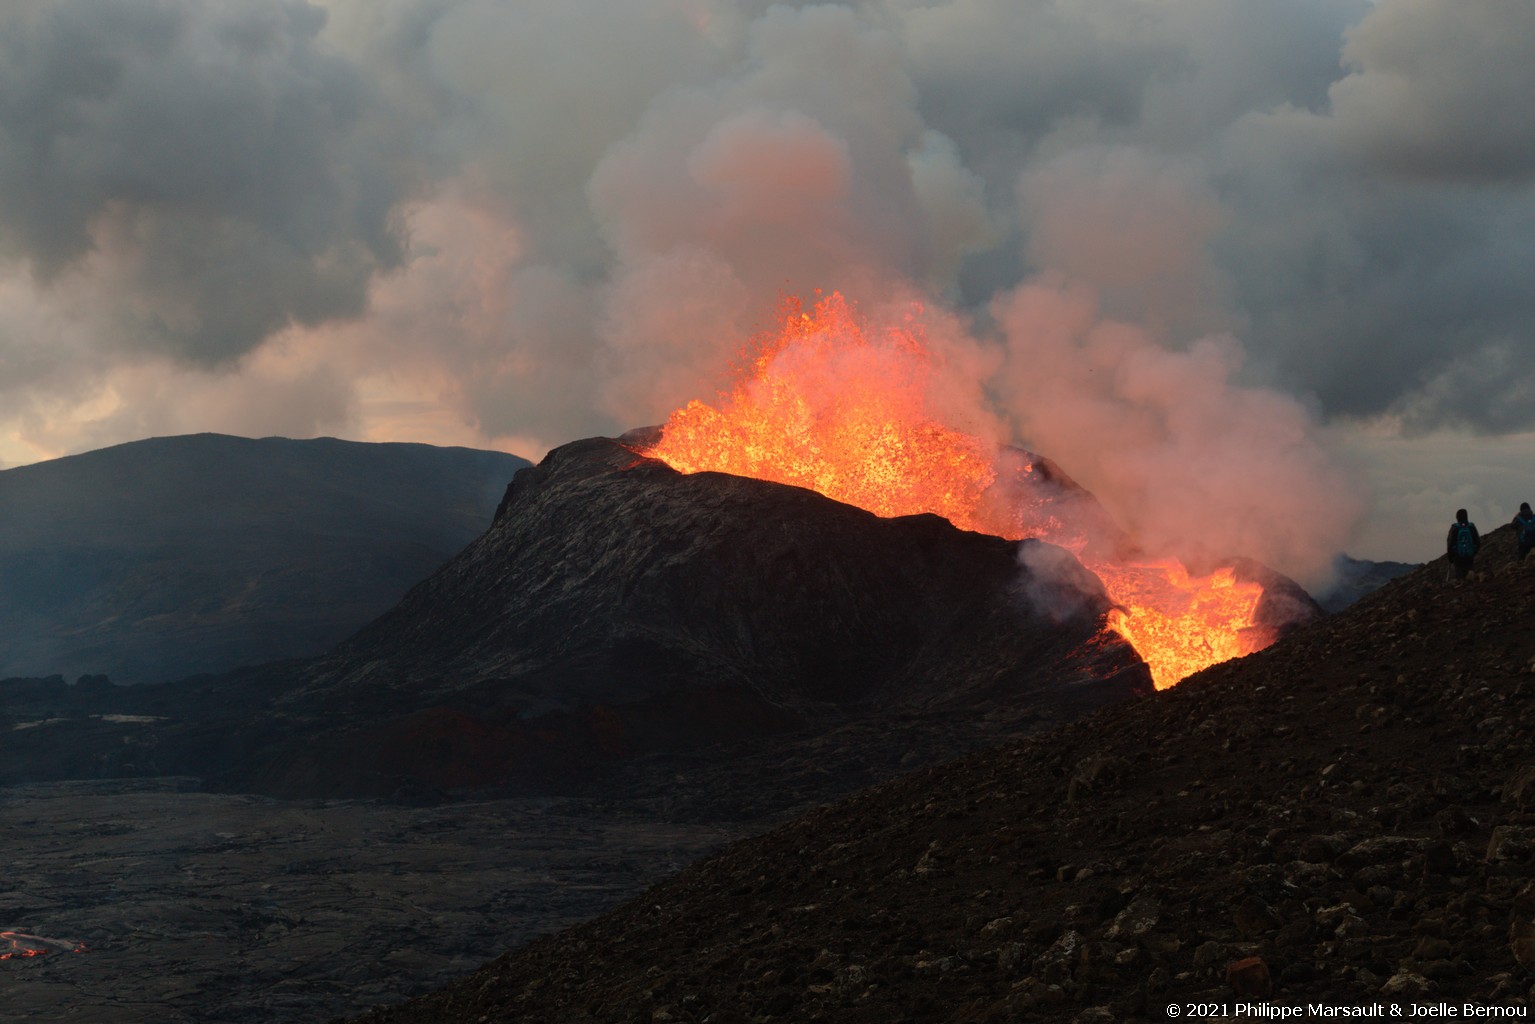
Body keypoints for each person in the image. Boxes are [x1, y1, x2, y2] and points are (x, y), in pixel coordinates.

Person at [1446, 508, 1480, 581]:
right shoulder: (1471, 527)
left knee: (1459, 578)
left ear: (1457, 517)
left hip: (1458, 557)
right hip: (1469, 556)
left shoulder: (1455, 528)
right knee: (1470, 577)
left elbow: (1450, 544)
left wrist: (1450, 558)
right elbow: (1477, 542)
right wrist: (1473, 551)